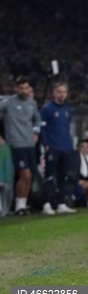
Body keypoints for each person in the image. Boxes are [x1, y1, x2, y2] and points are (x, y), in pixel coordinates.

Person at [0, 77, 41, 216]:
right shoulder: (8, 103)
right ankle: (18, 206)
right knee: (25, 174)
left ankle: (22, 205)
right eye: (21, 88)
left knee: (30, 176)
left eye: (26, 88)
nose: (24, 91)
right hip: (16, 145)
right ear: (16, 89)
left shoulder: (32, 103)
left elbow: (37, 119)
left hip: (29, 144)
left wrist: (36, 132)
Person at [40, 82, 77, 215]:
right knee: (50, 176)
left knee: (64, 176)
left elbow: (67, 128)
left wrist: (70, 144)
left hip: (65, 147)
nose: (62, 94)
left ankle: (61, 204)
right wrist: (45, 145)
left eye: (64, 92)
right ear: (54, 93)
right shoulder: (47, 109)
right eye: (59, 92)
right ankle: (46, 204)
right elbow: (42, 129)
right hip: (53, 147)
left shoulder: (67, 109)